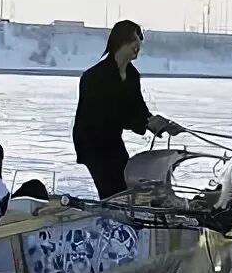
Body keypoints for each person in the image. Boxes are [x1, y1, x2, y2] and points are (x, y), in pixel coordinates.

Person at [73, 19, 183, 200]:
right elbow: (107, 114)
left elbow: (138, 108)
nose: (137, 46)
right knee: (113, 190)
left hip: (112, 140)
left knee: (125, 183)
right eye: (133, 41)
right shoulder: (95, 77)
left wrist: (158, 123)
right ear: (120, 42)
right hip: (91, 142)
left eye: (138, 41)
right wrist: (144, 123)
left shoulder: (132, 75)